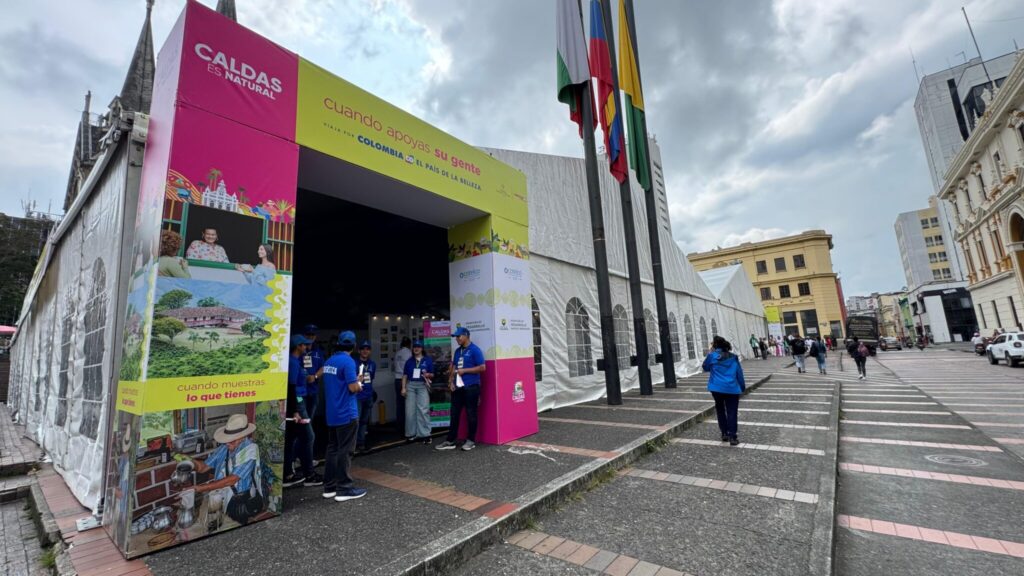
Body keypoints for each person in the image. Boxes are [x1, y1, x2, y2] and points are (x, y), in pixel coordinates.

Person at [192, 414, 266, 525]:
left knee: (235, 527)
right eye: (227, 440)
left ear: (242, 437)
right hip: (221, 495)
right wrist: (189, 461)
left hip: (238, 500)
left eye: (231, 440)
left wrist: (203, 488)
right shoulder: (225, 447)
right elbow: (203, 467)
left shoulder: (250, 450)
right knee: (217, 525)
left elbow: (233, 479)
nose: (227, 443)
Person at [320, 331, 367, 502]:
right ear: (354, 346)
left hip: (332, 413)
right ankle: (345, 488)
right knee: (345, 451)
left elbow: (338, 384)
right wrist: (359, 383)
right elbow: (353, 388)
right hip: (347, 413)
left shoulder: (329, 361)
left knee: (332, 449)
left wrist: (353, 380)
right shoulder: (348, 361)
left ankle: (329, 487)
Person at [436, 327, 486, 451]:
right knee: (454, 414)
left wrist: (465, 371)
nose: (457, 339)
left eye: (459, 336)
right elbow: (453, 366)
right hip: (457, 387)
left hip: (471, 387)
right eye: (455, 337)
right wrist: (450, 381)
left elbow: (482, 368)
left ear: (466, 336)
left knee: (471, 414)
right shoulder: (458, 351)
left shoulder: (475, 350)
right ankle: (450, 440)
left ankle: (471, 440)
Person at [283, 335, 321, 487]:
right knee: (308, 437)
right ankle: (309, 475)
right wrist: (294, 411)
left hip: (299, 402)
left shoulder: (295, 362)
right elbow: (290, 387)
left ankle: (288, 473)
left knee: (291, 438)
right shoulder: (292, 363)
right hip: (298, 404)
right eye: (305, 345)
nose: (307, 348)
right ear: (298, 346)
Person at [703, 336, 746, 446]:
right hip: (732, 388)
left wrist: (710, 353)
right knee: (732, 411)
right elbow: (739, 374)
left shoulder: (712, 356)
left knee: (720, 410)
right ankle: (733, 436)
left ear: (715, 346)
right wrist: (742, 387)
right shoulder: (734, 357)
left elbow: (705, 367)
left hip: (716, 388)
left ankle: (724, 433)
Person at [402, 340, 435, 444]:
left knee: (423, 409)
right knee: (410, 411)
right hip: (410, 385)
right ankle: (411, 434)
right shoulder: (409, 361)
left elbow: (432, 374)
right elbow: (405, 375)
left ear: (422, 349)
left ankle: (425, 434)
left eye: (418, 347)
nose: (416, 348)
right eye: (415, 347)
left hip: (422, 385)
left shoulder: (427, 360)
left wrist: (428, 375)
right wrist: (403, 388)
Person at [354, 340, 377, 452]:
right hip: (357, 396)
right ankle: (352, 445)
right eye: (363, 349)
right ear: (359, 351)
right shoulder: (354, 363)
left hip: (368, 395)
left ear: (370, 351)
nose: (365, 351)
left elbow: (371, 378)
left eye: (367, 349)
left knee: (364, 422)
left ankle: (361, 443)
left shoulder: (372, 364)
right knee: (355, 422)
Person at [392, 337, 413, 433]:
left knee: (399, 404)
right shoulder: (409, 353)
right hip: (405, 380)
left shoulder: (397, 353)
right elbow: (410, 368)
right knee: (408, 404)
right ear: (409, 344)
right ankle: (406, 427)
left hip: (397, 379)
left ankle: (399, 426)